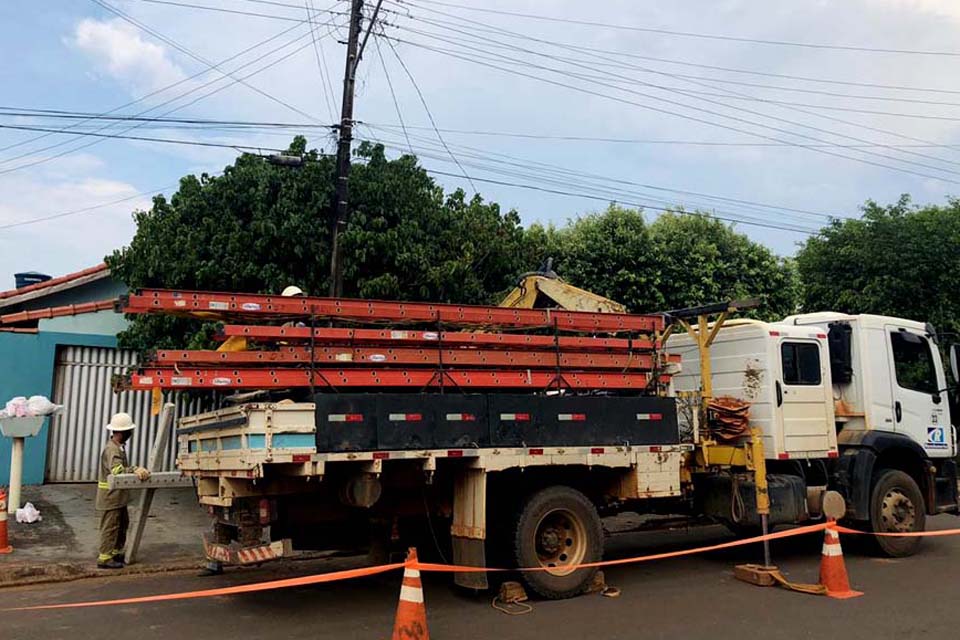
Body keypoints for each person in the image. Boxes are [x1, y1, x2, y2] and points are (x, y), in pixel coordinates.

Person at [96, 412, 150, 569]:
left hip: (118, 497)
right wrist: (134, 469)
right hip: (111, 498)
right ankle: (105, 558)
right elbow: (117, 471)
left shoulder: (118, 448)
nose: (131, 434)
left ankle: (113, 552)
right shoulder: (112, 449)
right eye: (129, 431)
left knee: (121, 524)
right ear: (122, 432)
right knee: (111, 527)